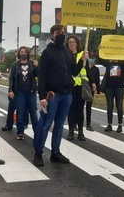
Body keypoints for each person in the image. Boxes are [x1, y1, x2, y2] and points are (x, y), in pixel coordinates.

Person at [33, 24, 87, 166]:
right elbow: (42, 75)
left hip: (67, 94)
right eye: (58, 33)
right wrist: (42, 96)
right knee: (46, 124)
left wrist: (82, 60)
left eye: (63, 32)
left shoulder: (68, 52)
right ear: (52, 35)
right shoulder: (47, 53)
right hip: (52, 95)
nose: (61, 35)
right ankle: (38, 152)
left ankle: (55, 152)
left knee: (59, 125)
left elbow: (74, 72)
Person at [98, 48, 124, 133]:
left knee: (119, 106)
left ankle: (120, 124)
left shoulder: (122, 64)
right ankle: (109, 124)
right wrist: (100, 49)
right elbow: (100, 59)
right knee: (109, 106)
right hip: (109, 87)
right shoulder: (108, 64)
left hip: (119, 87)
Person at [66, 35, 94, 141]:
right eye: (70, 42)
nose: (72, 44)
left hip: (81, 86)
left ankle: (81, 132)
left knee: (80, 110)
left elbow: (87, 69)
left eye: (73, 42)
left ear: (77, 43)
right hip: (70, 86)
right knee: (71, 110)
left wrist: (93, 82)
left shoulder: (82, 54)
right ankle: (71, 132)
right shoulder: (66, 55)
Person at [8, 46, 38, 140]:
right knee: (20, 112)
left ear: (28, 53)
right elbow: (11, 78)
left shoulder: (32, 63)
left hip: (31, 91)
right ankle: (20, 132)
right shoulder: (15, 65)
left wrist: (37, 66)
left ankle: (37, 131)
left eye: (25, 51)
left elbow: (37, 74)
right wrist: (11, 90)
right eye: (21, 52)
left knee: (33, 111)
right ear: (19, 53)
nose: (23, 53)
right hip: (19, 91)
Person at [85, 53, 100, 131]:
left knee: (89, 107)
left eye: (92, 58)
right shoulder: (84, 66)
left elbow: (97, 81)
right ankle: (75, 123)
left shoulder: (96, 69)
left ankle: (88, 124)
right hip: (83, 88)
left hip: (91, 89)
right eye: (90, 57)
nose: (91, 59)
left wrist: (98, 91)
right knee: (79, 107)